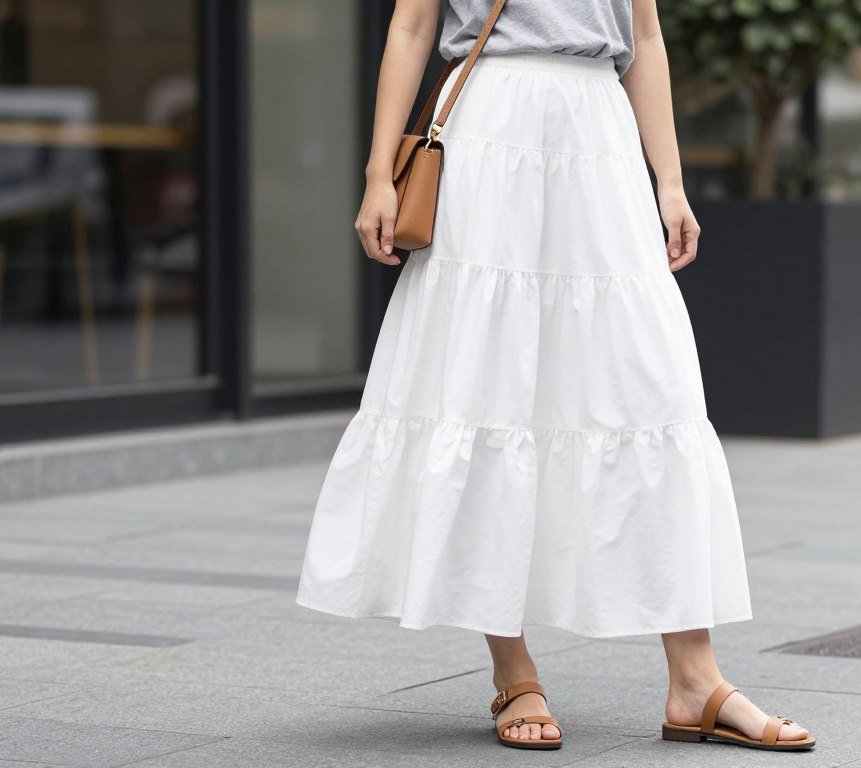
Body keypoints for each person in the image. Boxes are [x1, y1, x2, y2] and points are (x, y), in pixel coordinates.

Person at [297, 0, 814, 753]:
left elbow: (642, 35)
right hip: (488, 132)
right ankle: (515, 671)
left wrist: (668, 180)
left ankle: (695, 681)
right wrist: (381, 174)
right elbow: (411, 26)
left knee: (651, 389)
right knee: (487, 387)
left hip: (599, 136)